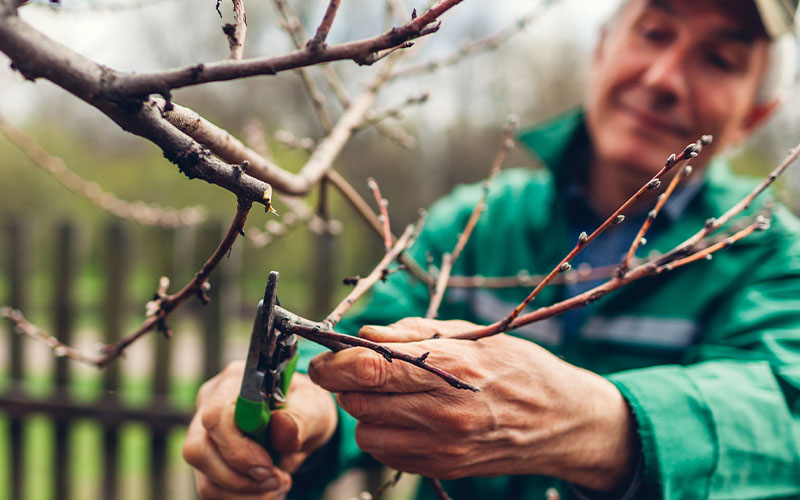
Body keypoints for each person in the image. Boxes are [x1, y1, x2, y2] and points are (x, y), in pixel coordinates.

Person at [182, 0, 800, 498]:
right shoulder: (473, 226)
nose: (665, 79)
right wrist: (305, 417)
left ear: (756, 113)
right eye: (655, 31)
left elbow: (784, 423)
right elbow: (372, 347)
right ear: (604, 47)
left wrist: (588, 421)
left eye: (719, 60)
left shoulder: (772, 255)